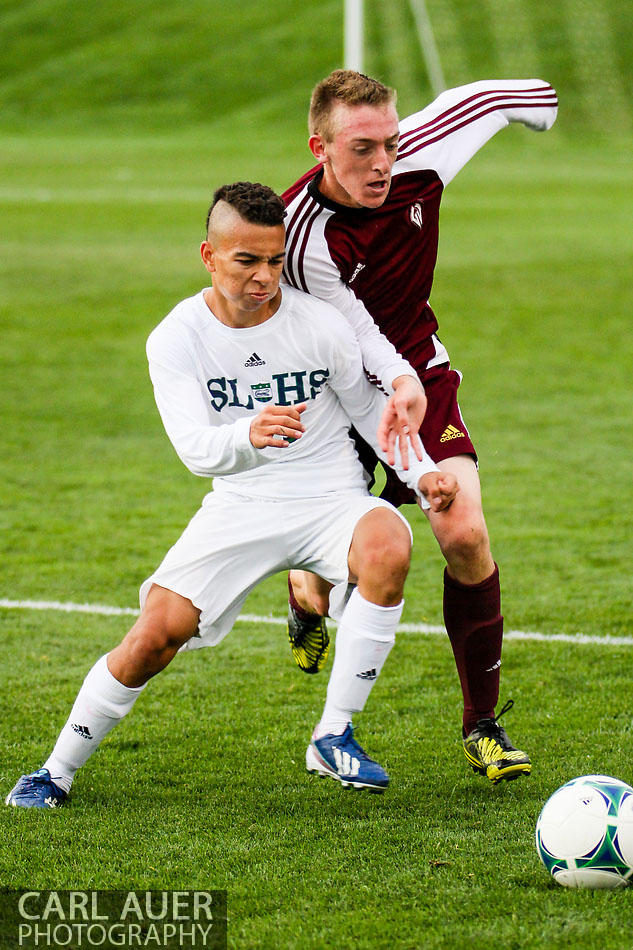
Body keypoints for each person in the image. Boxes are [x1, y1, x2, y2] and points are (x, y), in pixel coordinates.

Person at [6, 182, 459, 809]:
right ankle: (55, 770)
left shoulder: (319, 323)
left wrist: (421, 471)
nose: (265, 277)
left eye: (274, 260)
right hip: (242, 504)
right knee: (155, 636)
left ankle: (333, 734)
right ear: (208, 256)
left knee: (389, 542)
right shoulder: (177, 338)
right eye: (246, 261)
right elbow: (195, 448)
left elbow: (366, 410)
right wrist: (248, 434)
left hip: (331, 497)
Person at [282, 71, 559, 785]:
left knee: (463, 531)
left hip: (418, 372)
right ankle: (303, 595)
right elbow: (352, 349)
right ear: (320, 147)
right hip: (336, 396)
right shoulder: (295, 236)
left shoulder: (421, 155)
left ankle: (483, 726)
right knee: (328, 586)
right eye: (361, 148)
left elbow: (490, 99)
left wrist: (542, 106)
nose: (381, 163)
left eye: (390, 142)